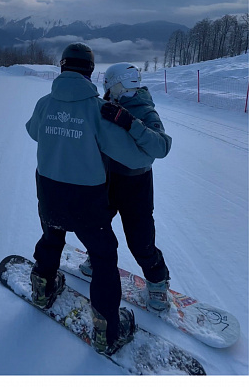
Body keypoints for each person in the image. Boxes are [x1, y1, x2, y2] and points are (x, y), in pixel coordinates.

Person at [25, 43, 166, 355]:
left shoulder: (44, 102)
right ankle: (106, 331)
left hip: (48, 193)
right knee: (104, 259)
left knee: (51, 238)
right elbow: (133, 156)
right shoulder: (96, 111)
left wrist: (60, 128)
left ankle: (41, 287)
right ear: (90, 72)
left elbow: (33, 131)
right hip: (86, 199)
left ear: (62, 68)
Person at [79, 62, 173, 313]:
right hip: (107, 179)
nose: (106, 89)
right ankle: (96, 259)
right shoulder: (107, 106)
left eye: (108, 85)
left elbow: (161, 147)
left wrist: (129, 122)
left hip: (136, 185)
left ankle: (157, 282)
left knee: (140, 239)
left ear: (117, 84)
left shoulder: (144, 111)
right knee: (98, 225)